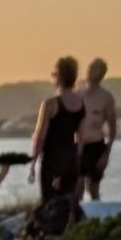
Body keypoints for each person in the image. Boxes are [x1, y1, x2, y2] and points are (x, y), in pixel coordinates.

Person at [29, 57, 87, 203]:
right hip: (71, 159)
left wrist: (33, 163)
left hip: (52, 161)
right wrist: (78, 163)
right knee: (69, 202)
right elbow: (81, 138)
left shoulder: (50, 104)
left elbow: (40, 136)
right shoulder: (80, 103)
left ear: (58, 77)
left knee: (50, 203)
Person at [77, 58, 120, 201]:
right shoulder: (78, 94)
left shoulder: (106, 97)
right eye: (90, 68)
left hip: (95, 146)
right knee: (77, 188)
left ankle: (97, 217)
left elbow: (112, 128)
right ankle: (76, 219)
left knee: (93, 189)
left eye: (95, 69)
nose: (91, 72)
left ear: (102, 73)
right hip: (78, 145)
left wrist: (106, 154)